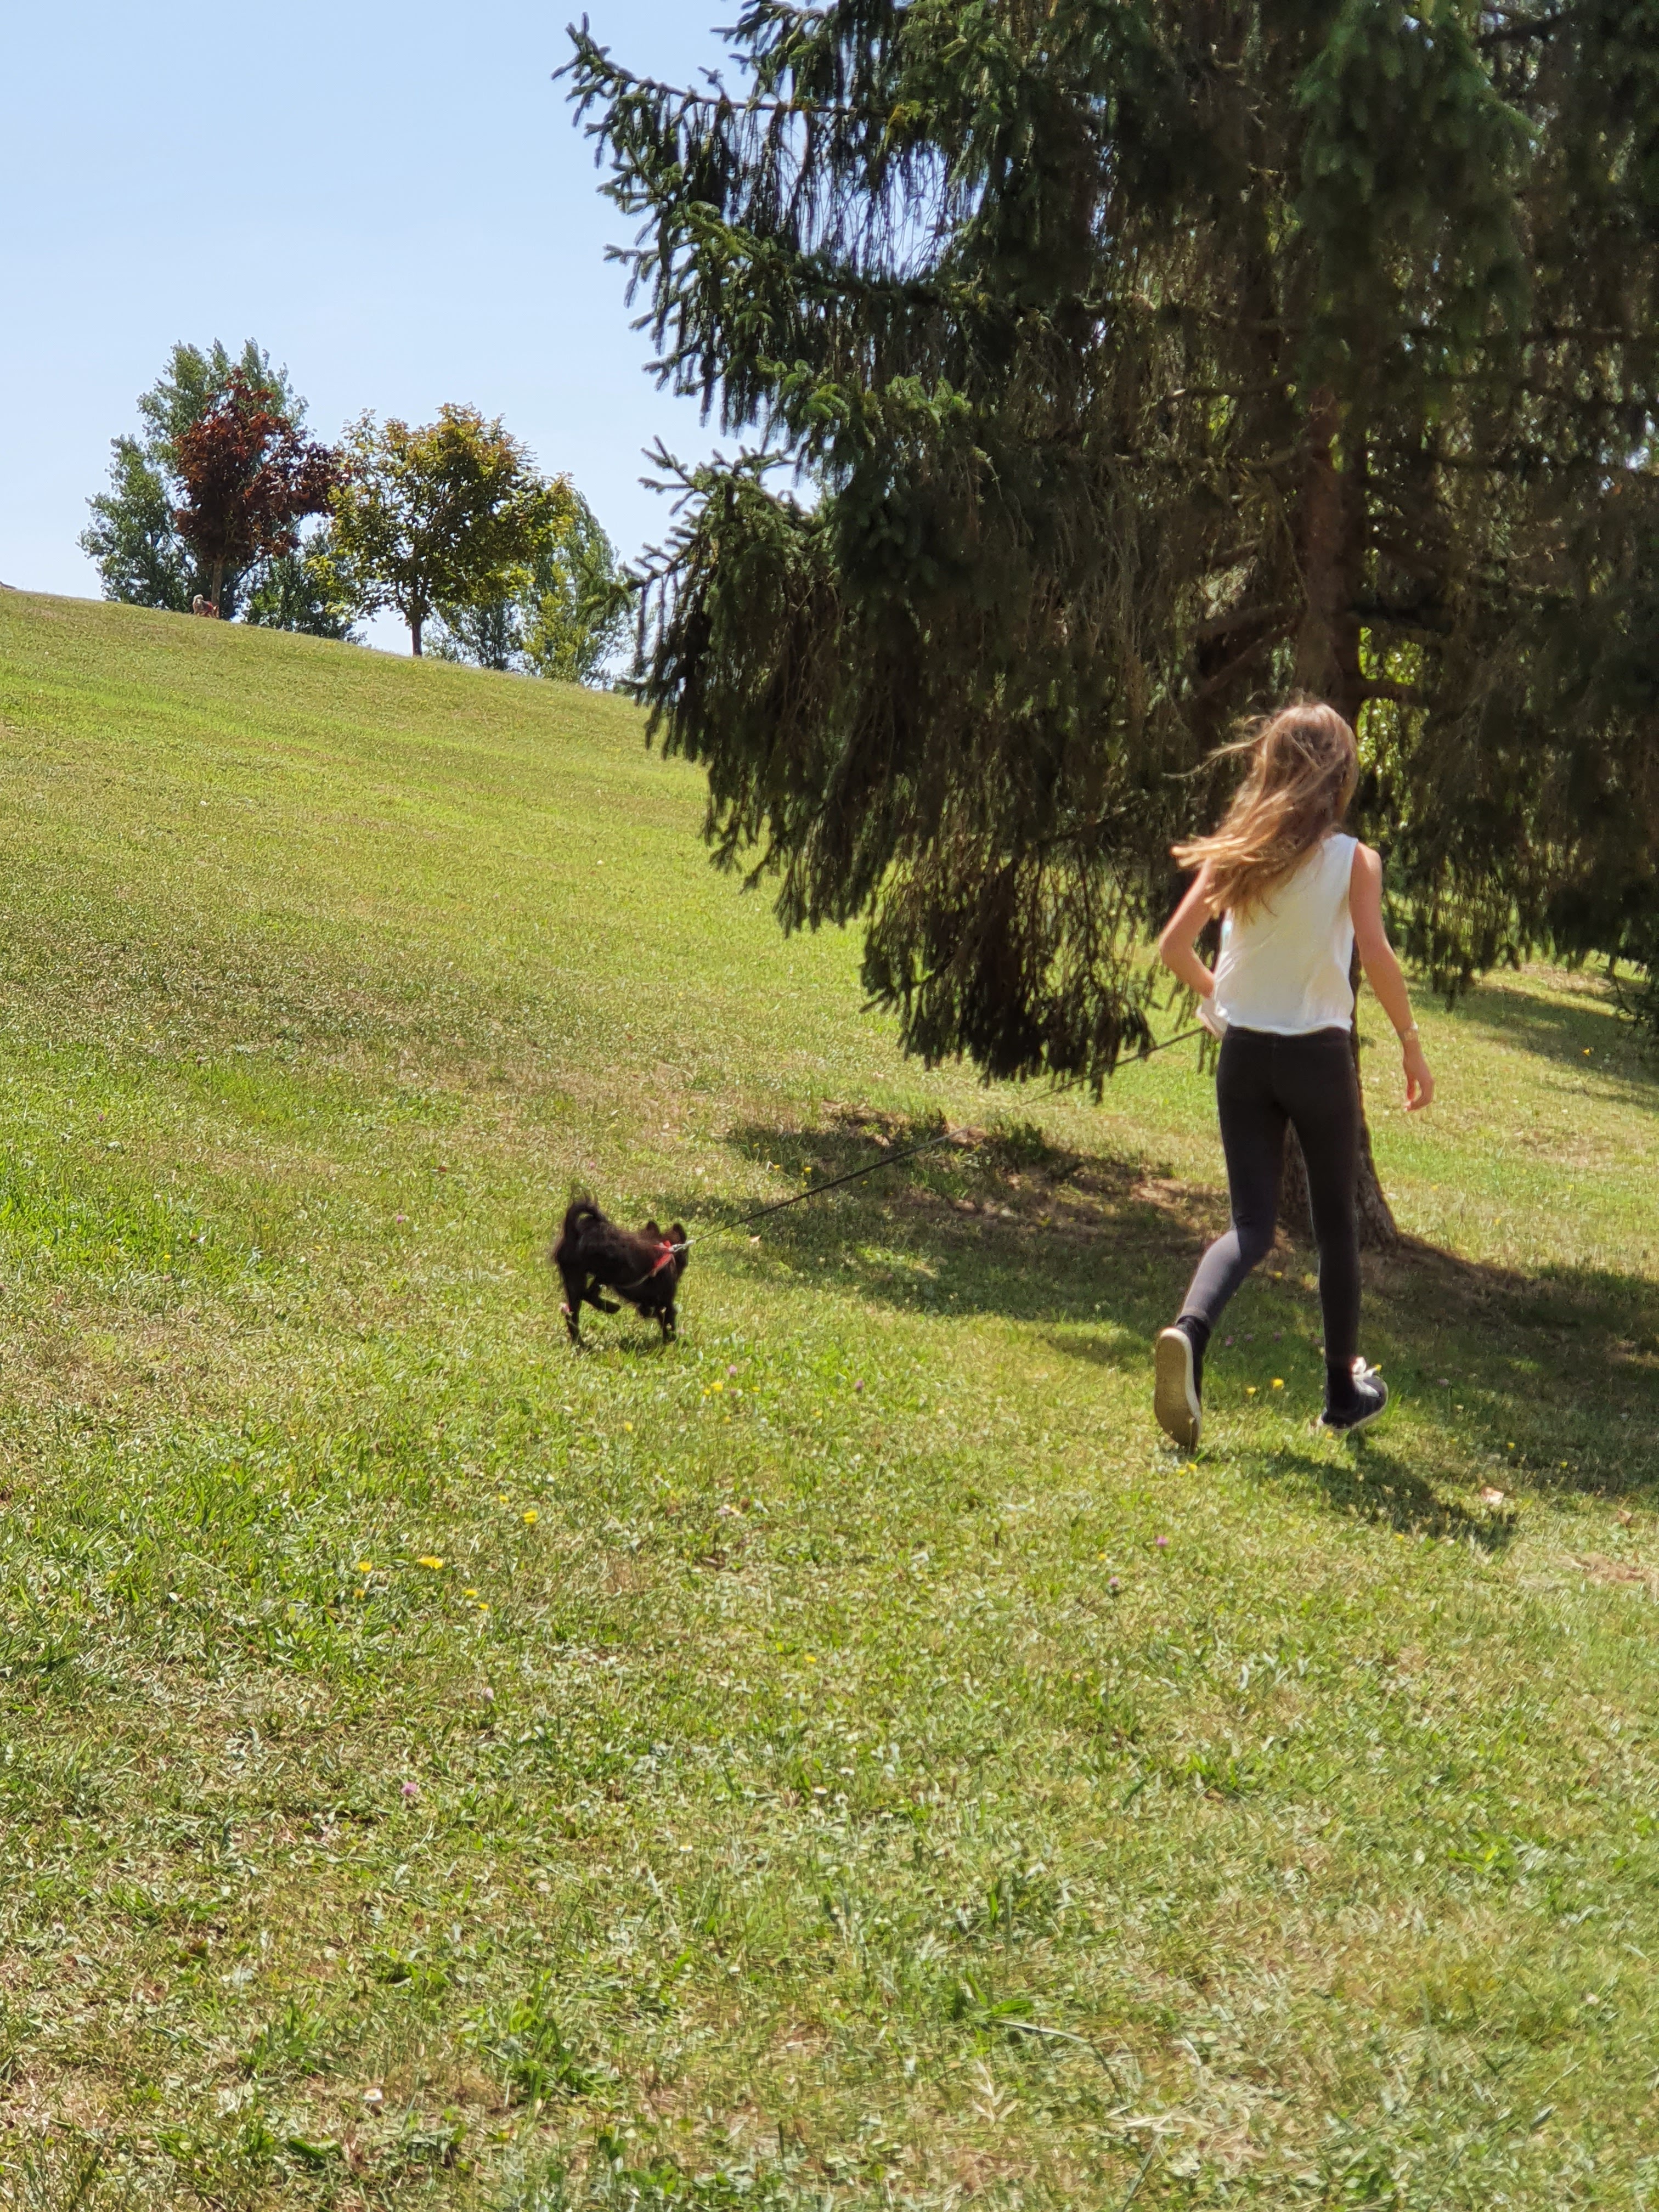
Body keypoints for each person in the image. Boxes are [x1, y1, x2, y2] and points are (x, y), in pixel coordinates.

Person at [1152, 699, 1434, 1448]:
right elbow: (1376, 955)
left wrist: (1223, 1003)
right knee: (1335, 1227)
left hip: (1244, 1055)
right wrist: (1410, 1043)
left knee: (1251, 1226)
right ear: (1339, 776)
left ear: (1270, 767)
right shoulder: (1354, 861)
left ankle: (1189, 1332)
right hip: (1318, 1058)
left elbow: (1175, 948)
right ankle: (1342, 1395)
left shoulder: (1239, 851)